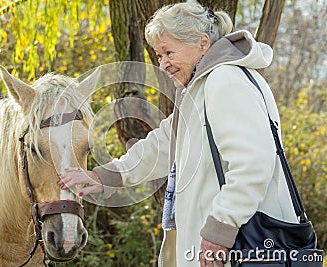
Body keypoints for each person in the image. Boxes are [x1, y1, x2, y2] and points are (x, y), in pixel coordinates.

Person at [58, 1, 298, 266]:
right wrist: (105, 176)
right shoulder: (204, 88)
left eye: (169, 52)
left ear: (203, 43)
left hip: (238, 248)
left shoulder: (225, 81)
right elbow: (163, 143)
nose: (163, 64)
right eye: (159, 56)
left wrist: (220, 231)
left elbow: (253, 163)